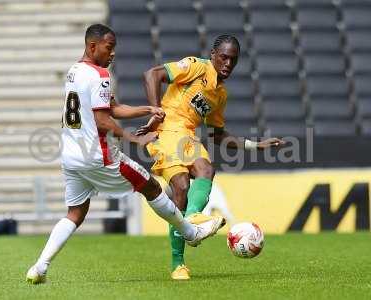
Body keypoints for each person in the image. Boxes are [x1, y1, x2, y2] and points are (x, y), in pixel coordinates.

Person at [26, 24, 225, 284]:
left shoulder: (75, 71)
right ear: (92, 46)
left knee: (75, 213)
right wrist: (135, 138)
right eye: (109, 48)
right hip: (99, 155)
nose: (113, 54)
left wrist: (147, 109)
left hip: (71, 157)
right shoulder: (100, 75)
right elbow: (102, 121)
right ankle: (190, 231)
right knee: (152, 187)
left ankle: (39, 267)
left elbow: (113, 108)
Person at [138, 34, 285, 280]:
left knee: (206, 169)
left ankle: (190, 225)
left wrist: (256, 146)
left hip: (187, 137)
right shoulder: (196, 66)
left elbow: (218, 136)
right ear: (214, 54)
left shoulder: (220, 95)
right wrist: (155, 111)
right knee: (181, 186)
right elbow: (152, 74)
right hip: (165, 131)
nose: (228, 63)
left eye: (233, 60)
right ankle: (179, 261)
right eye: (224, 57)